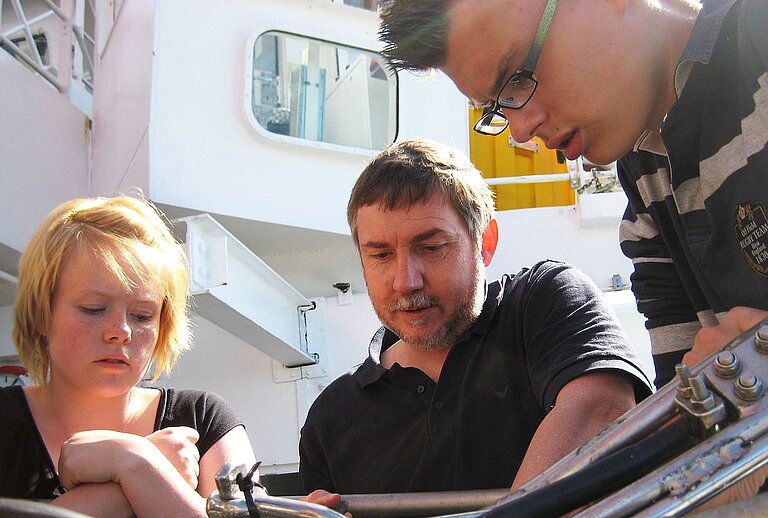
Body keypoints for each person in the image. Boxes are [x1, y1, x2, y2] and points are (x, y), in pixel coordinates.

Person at [377, 0, 768, 390]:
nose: (520, 131)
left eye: (517, 77)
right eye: (497, 107)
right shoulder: (645, 180)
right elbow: (689, 399)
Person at [299, 138, 652, 495]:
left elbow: (601, 407)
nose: (406, 281)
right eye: (380, 255)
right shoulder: (329, 419)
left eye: (431, 247)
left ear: (484, 242)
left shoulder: (543, 300)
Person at [0, 196, 258, 517]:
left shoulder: (206, 420)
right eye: (93, 309)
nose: (120, 331)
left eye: (141, 315)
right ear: (41, 313)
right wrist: (141, 474)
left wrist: (134, 460)